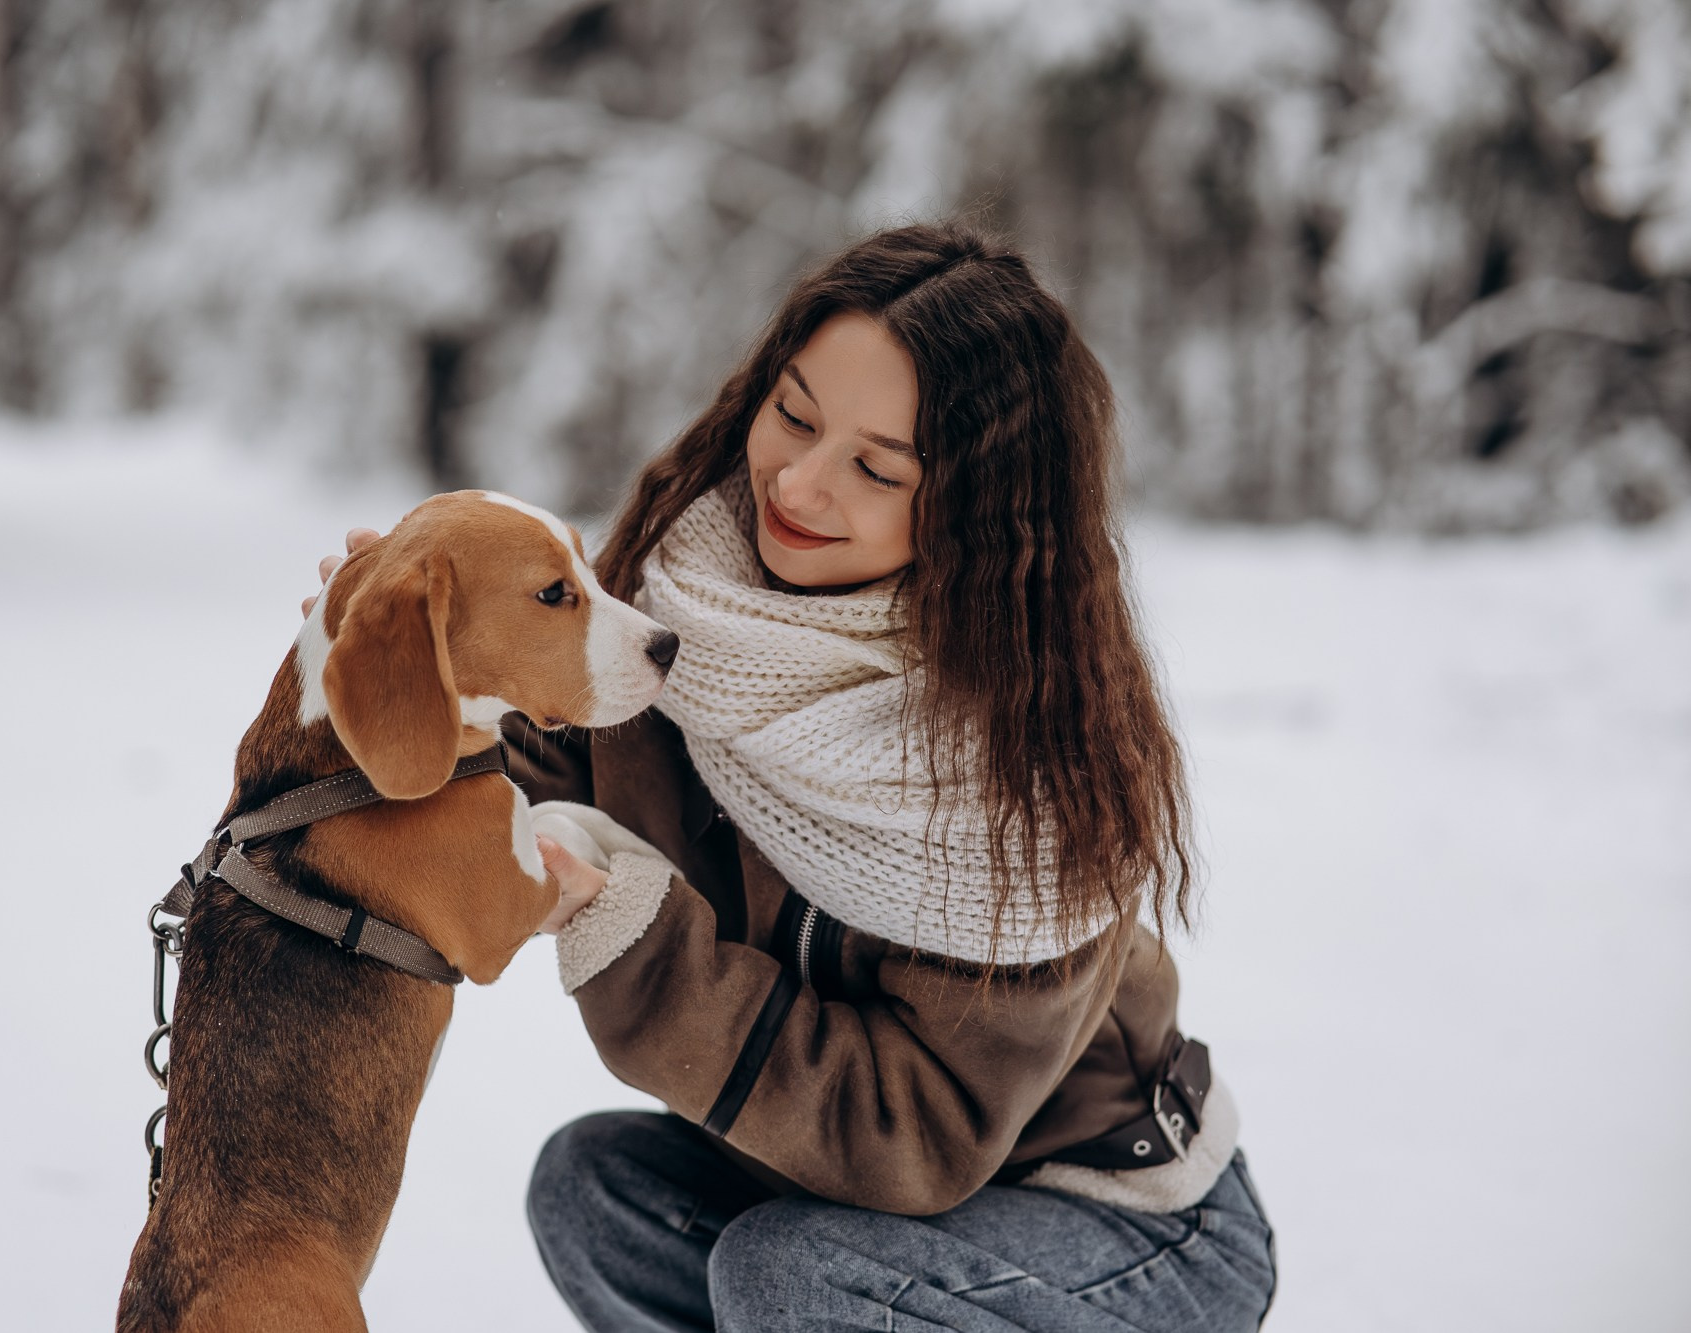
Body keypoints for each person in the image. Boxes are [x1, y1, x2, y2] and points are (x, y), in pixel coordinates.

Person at [311, 222, 1276, 1331]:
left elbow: (908, 1136)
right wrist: (418, 690)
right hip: (855, 1223)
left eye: (874, 467)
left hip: (1115, 1224)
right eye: (793, 415)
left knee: (789, 1276)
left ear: (976, 510)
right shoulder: (701, 594)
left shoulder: (1022, 765)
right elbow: (556, 770)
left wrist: (634, 925)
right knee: (595, 1193)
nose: (798, 485)